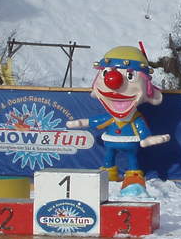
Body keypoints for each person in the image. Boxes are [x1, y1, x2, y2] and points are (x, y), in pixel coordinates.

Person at [67, 45, 169, 197]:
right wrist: (81, 123)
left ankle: (133, 176)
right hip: (111, 141)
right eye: (106, 73)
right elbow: (96, 121)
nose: (113, 81)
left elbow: (142, 131)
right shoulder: (111, 117)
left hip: (130, 142)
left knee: (132, 158)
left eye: (130, 76)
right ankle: (108, 173)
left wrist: (148, 139)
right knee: (109, 157)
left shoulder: (136, 119)